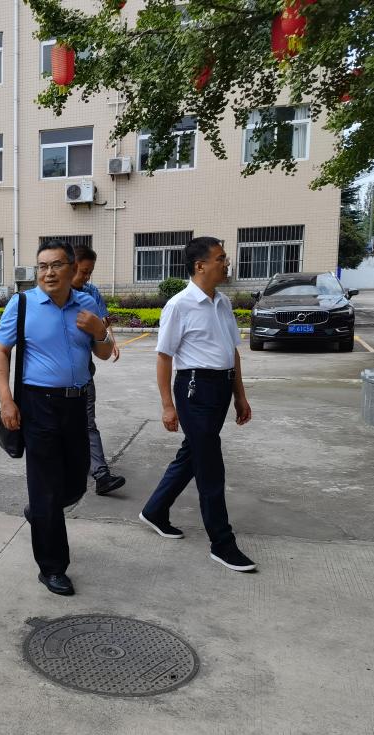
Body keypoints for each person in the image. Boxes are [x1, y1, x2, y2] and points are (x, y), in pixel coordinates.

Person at [0, 241, 113, 596]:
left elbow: (104, 353)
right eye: (42, 266)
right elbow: (0, 352)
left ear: (72, 269)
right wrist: (6, 401)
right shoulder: (22, 304)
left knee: (76, 482)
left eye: (56, 265)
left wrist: (99, 331)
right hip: (37, 404)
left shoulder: (88, 304)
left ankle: (40, 512)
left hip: (76, 404)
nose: (48, 273)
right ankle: (53, 567)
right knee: (46, 486)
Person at [140, 236, 256, 573]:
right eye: (220, 258)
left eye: (225, 257)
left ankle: (155, 510)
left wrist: (240, 395)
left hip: (221, 388)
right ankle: (222, 543)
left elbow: (232, 351)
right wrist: (167, 405)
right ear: (200, 265)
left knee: (194, 453)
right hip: (194, 391)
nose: (226, 263)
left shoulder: (223, 302)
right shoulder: (179, 305)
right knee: (210, 466)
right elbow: (164, 357)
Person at [71, 245, 126, 496]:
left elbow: (103, 321)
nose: (86, 277)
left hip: (83, 374)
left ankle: (101, 474)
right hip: (52, 383)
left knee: (87, 422)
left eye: (89, 272)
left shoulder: (90, 294)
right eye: (83, 272)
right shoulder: (49, 296)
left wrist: (109, 341)